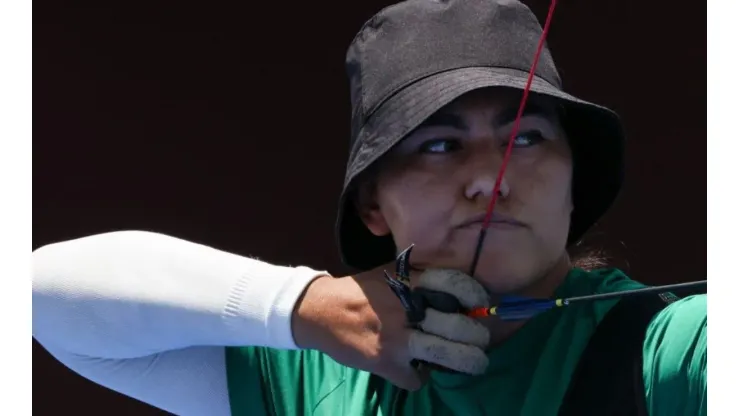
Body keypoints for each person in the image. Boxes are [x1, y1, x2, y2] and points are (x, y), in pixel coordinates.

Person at [32, 0, 707, 415]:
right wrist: (301, 307)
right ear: (372, 205)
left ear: (573, 178)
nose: (488, 179)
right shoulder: (316, 375)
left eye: (526, 137)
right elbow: (38, 296)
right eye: (440, 145)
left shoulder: (668, 350)